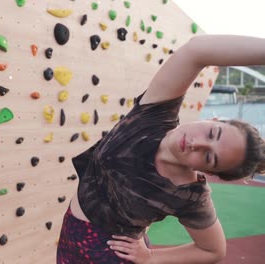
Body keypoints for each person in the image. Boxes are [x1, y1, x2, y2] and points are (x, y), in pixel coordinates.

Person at [57, 34, 265, 264]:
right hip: (69, 234)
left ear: (210, 172)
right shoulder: (154, 115)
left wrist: (150, 258)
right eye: (212, 133)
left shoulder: (188, 194)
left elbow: (213, 251)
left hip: (110, 257)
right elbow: (197, 49)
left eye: (209, 157)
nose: (197, 143)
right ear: (215, 120)